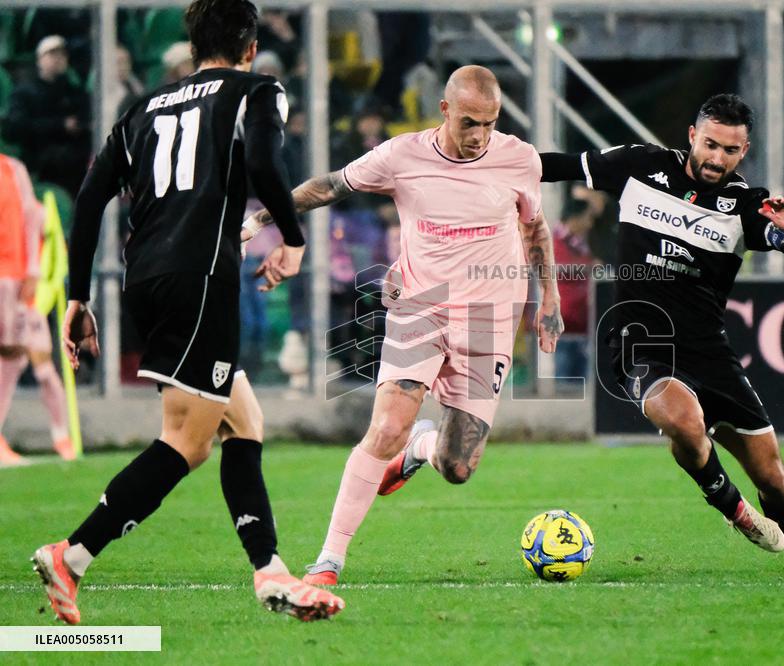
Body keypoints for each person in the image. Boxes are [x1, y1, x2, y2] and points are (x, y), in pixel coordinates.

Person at [32, 0, 343, 624]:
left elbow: (90, 199)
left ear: (194, 44)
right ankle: (72, 554)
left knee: (244, 421)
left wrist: (78, 296)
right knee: (186, 441)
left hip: (145, 277)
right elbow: (262, 161)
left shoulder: (141, 108)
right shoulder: (258, 90)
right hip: (201, 278)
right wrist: (294, 237)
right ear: (250, 46)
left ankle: (269, 571)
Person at [243, 65, 563, 585]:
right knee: (385, 427)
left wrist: (548, 296)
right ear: (444, 111)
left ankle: (420, 446)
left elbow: (535, 228)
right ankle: (328, 560)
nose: (479, 135)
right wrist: (262, 220)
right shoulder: (402, 155)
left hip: (488, 322)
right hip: (422, 305)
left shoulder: (519, 158)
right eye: (468, 123)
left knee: (458, 467)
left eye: (489, 122)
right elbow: (331, 186)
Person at [540, 93, 784, 574]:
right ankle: (735, 509)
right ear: (692, 135)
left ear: (743, 151)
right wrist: (485, 161)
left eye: (730, 150)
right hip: (640, 340)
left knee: (777, 479)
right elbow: (555, 165)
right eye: (710, 145)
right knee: (682, 419)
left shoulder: (747, 204)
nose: (717, 158)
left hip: (709, 351)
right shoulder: (641, 166)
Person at [0, 153, 74, 464]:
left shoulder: (14, 172)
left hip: (22, 289)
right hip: (20, 286)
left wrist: (32, 273)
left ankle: (62, 437)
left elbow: (53, 253)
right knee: (14, 357)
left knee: (30, 361)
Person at [2, 35, 91, 194]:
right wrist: (60, 125)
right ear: (39, 60)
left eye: (62, 55)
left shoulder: (75, 92)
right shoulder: (25, 93)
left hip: (75, 164)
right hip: (39, 163)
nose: (58, 59)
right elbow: (14, 129)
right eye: (52, 54)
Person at [552, 197, 596, 386]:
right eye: (587, 217)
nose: (590, 223)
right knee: (564, 387)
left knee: (580, 389)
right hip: (563, 324)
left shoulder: (580, 244)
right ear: (575, 218)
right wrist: (591, 266)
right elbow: (558, 266)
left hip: (581, 325)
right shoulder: (555, 241)